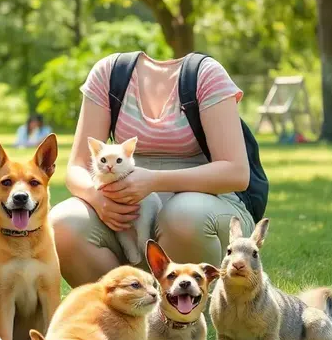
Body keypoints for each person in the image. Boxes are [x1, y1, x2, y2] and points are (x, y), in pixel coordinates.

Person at [49, 51, 253, 287]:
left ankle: (187, 317)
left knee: (183, 215)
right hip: (128, 213)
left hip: (206, 207)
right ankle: (119, 314)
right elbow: (77, 167)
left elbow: (236, 173)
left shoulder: (208, 75)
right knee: (62, 224)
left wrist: (154, 181)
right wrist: (98, 200)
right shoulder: (108, 74)